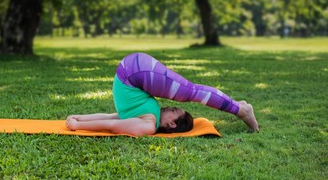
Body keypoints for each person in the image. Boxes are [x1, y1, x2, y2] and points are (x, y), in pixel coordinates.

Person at [66, 52, 259, 136]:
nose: (168, 106)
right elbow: (112, 118)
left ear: (172, 123)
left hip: (134, 71)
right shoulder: (149, 116)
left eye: (173, 110)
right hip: (134, 71)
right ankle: (238, 107)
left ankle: (240, 109)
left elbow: (112, 123)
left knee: (191, 91)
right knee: (190, 91)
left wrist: (78, 124)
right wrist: (79, 120)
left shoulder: (148, 125)